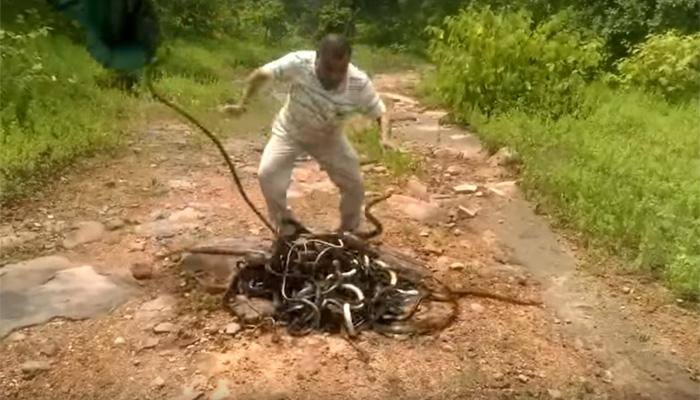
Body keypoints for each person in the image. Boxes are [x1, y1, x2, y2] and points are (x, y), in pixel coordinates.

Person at [224, 34, 392, 234]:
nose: (335, 76)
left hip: (329, 138)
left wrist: (385, 138)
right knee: (267, 174)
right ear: (317, 58)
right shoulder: (299, 62)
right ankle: (287, 229)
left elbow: (381, 113)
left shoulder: (358, 82)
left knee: (354, 183)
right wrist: (242, 105)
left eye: (341, 70)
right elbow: (261, 75)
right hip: (290, 131)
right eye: (328, 69)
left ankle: (350, 230)